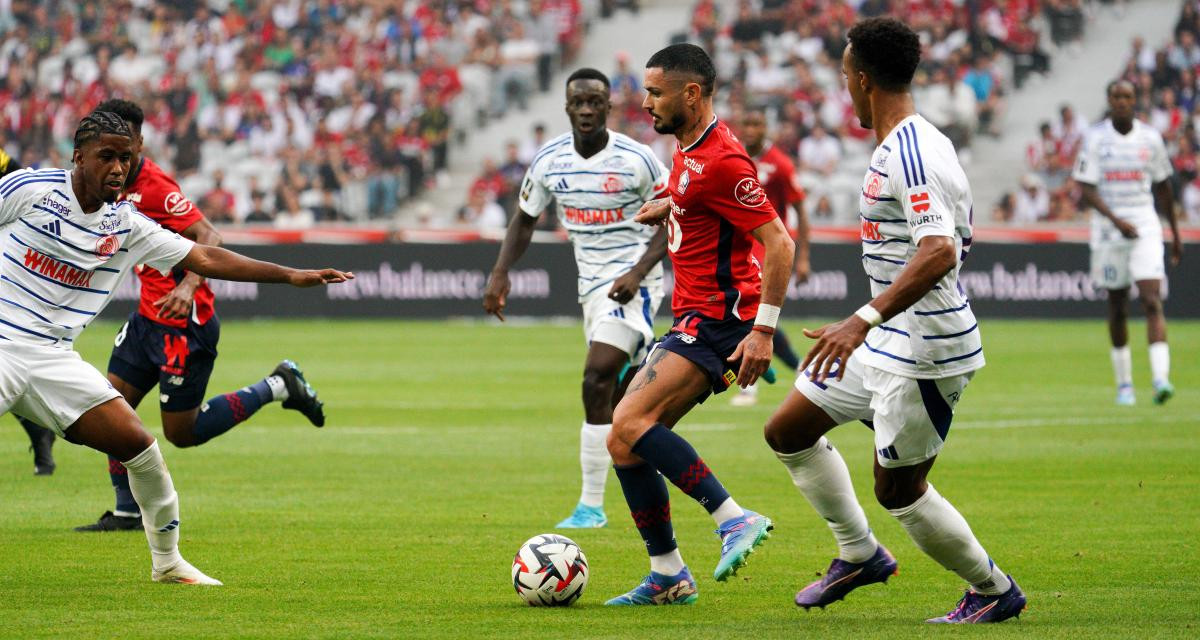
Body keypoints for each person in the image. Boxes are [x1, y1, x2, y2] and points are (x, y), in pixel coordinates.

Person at [0, 111, 351, 584]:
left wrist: (289, 275)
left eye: (126, 158)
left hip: (53, 359)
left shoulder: (126, 224)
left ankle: (167, 563)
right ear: (79, 156)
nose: (118, 168)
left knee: (141, 447)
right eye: (107, 157)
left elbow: (205, 253)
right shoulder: (31, 188)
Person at [762, 18, 1026, 624]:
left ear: (860, 79)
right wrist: (870, 324)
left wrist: (860, 319)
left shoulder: (911, 151)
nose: (843, 88)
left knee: (897, 492)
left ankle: (993, 589)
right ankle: (859, 554)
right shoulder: (911, 143)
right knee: (788, 431)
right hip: (886, 338)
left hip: (927, 349)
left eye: (843, 77)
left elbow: (938, 250)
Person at [603, 44, 795, 606]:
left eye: (655, 93)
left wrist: (763, 331)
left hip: (719, 319)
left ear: (691, 94)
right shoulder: (689, 150)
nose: (645, 103)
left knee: (630, 419)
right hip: (695, 313)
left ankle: (732, 517)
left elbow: (780, 243)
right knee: (623, 443)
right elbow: (701, 199)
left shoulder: (724, 162)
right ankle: (668, 576)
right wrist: (674, 206)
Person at [483, 68, 669, 530]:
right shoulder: (549, 161)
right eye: (578, 103)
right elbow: (525, 220)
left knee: (595, 376)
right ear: (567, 108)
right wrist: (501, 271)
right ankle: (645, 396)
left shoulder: (637, 158)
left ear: (608, 107)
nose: (586, 110)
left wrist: (638, 270)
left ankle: (590, 506)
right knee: (624, 401)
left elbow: (675, 216)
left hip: (636, 284)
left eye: (594, 102)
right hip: (592, 290)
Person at [1072, 80, 1182, 406]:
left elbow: (1164, 187)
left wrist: (1174, 234)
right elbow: (1085, 187)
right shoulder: (1094, 138)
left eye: (1128, 96)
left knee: (1151, 300)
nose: (1122, 101)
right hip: (1109, 230)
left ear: (1136, 100)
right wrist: (1116, 220)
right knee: (1117, 304)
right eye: (1117, 96)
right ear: (1109, 100)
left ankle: (1161, 379)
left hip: (1145, 226)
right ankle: (1125, 384)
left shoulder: (1150, 138)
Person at [731, 108, 812, 407]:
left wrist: (803, 257)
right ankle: (802, 367)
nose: (751, 129)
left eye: (757, 123)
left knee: (756, 317)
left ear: (766, 128)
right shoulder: (734, 157)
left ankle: (748, 386)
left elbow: (801, 211)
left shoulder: (779, 164)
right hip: (738, 250)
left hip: (768, 252)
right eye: (747, 122)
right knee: (757, 319)